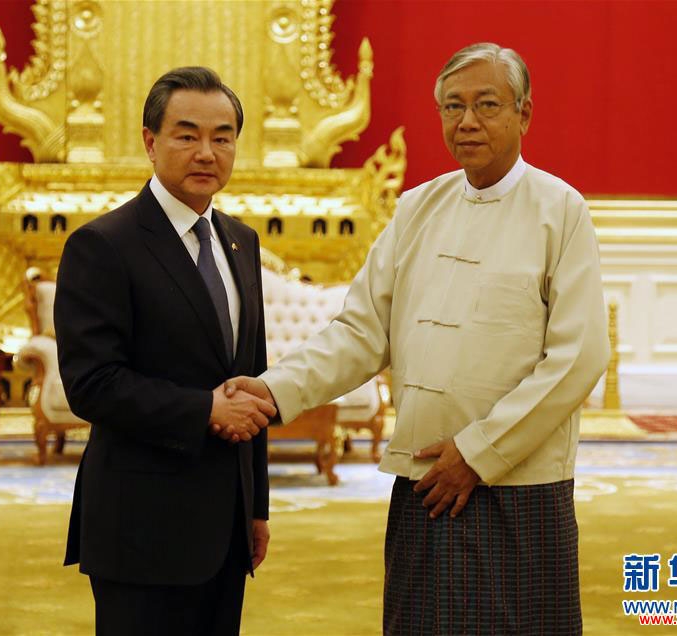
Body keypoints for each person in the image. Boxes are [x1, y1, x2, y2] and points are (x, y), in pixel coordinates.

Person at [226, 43, 609, 634]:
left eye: (487, 104)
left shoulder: (560, 210)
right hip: (426, 481)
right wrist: (274, 391)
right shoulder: (416, 208)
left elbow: (577, 358)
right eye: (452, 106)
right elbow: (359, 333)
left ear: (524, 113)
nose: (468, 121)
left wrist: (479, 454)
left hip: (520, 487)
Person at [55, 66, 276, 635]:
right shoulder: (103, 245)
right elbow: (92, 383)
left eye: (222, 137)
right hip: (141, 528)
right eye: (187, 135)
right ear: (150, 143)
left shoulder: (241, 241)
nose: (207, 152)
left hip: (226, 527)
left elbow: (251, 380)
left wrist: (257, 507)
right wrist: (203, 410)